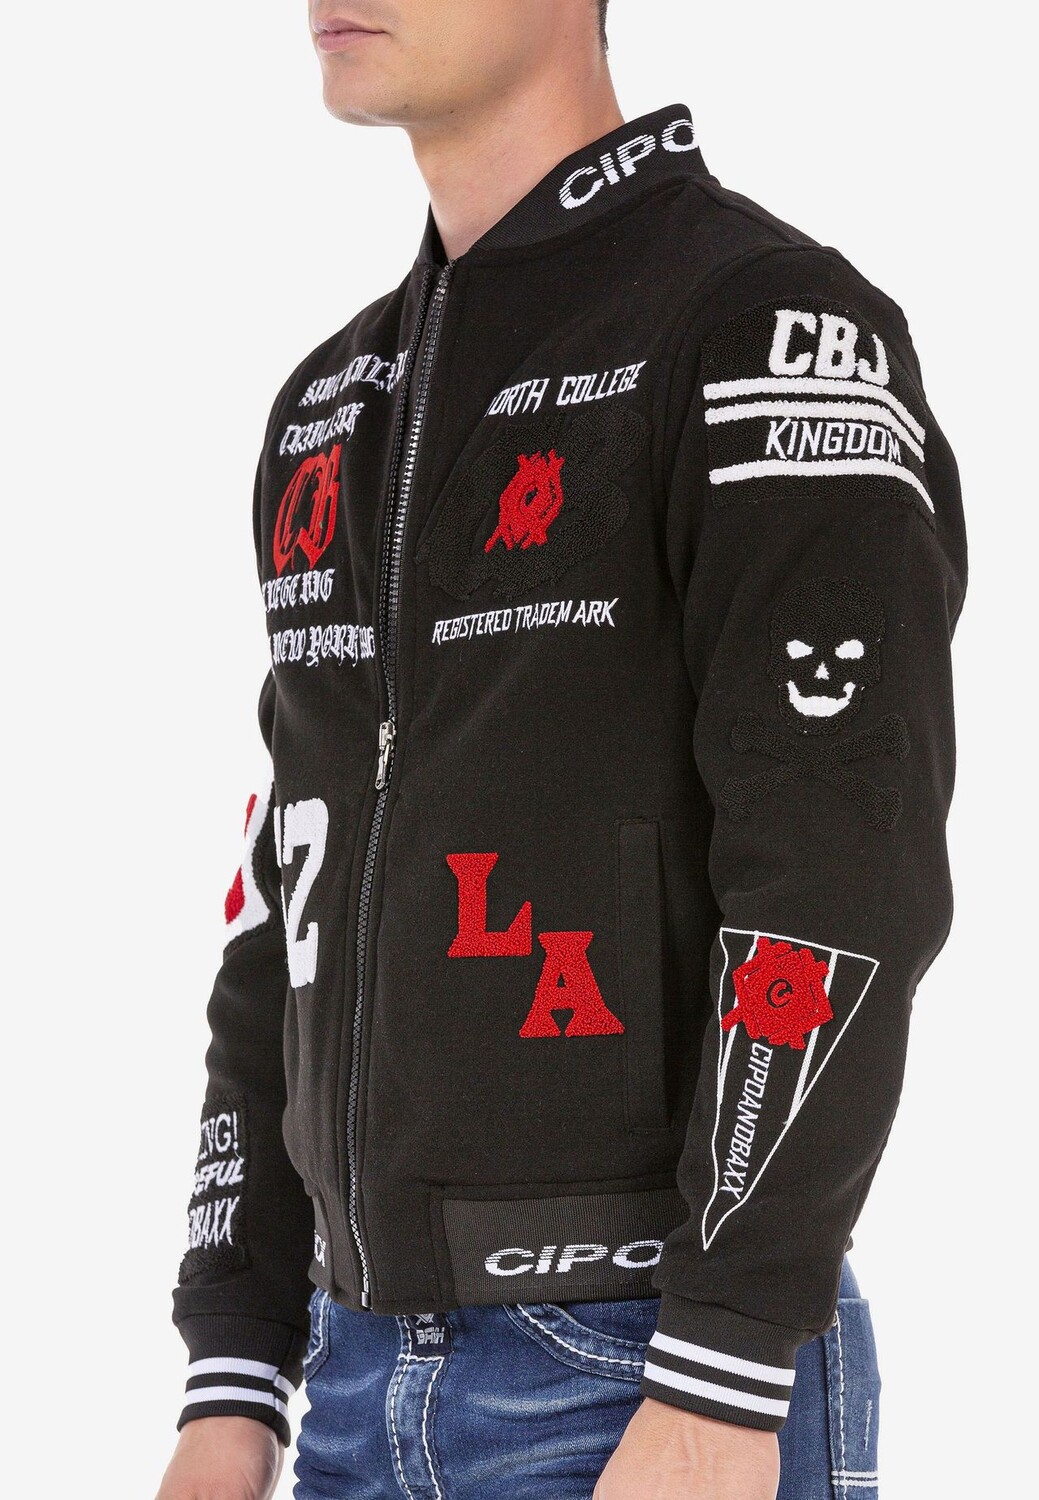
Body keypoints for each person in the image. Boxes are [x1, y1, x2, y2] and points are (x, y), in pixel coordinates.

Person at [156, 3, 966, 1497]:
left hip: (644, 1378)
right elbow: (289, 898)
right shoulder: (329, 409)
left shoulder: (768, 334)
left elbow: (839, 873)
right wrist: (233, 1365)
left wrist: (724, 1363)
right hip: (346, 1387)